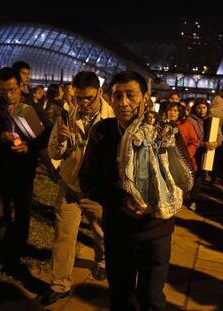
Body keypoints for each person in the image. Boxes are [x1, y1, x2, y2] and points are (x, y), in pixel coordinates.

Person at [79, 71, 182, 310]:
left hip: (156, 231)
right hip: (118, 231)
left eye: (131, 95)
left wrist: (158, 200)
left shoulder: (164, 131)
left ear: (145, 98)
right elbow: (87, 180)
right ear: (108, 98)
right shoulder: (102, 133)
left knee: (152, 299)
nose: (124, 103)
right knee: (121, 297)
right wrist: (120, 200)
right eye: (117, 96)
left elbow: (182, 177)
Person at [39, 71, 114, 306]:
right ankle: (59, 284)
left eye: (88, 98)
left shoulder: (111, 120)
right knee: (63, 236)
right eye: (78, 98)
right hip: (70, 186)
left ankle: (102, 262)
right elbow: (54, 153)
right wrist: (60, 141)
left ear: (99, 93)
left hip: (97, 191)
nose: (83, 104)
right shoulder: (67, 116)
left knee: (102, 232)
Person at [0, 67, 49, 273]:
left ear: (21, 86)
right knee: (2, 215)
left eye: (13, 90)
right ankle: (5, 255)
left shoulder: (31, 107)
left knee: (23, 212)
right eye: (4, 91)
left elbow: (45, 136)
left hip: (23, 170)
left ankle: (19, 246)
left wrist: (30, 147)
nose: (9, 95)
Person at [188, 98, 222, 210]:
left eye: (204, 107)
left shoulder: (212, 121)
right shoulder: (190, 120)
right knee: (190, 175)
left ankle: (194, 199)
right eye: (199, 107)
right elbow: (190, 138)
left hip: (206, 152)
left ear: (207, 108)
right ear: (195, 108)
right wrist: (203, 144)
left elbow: (219, 137)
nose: (201, 110)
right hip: (193, 152)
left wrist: (216, 143)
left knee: (199, 176)